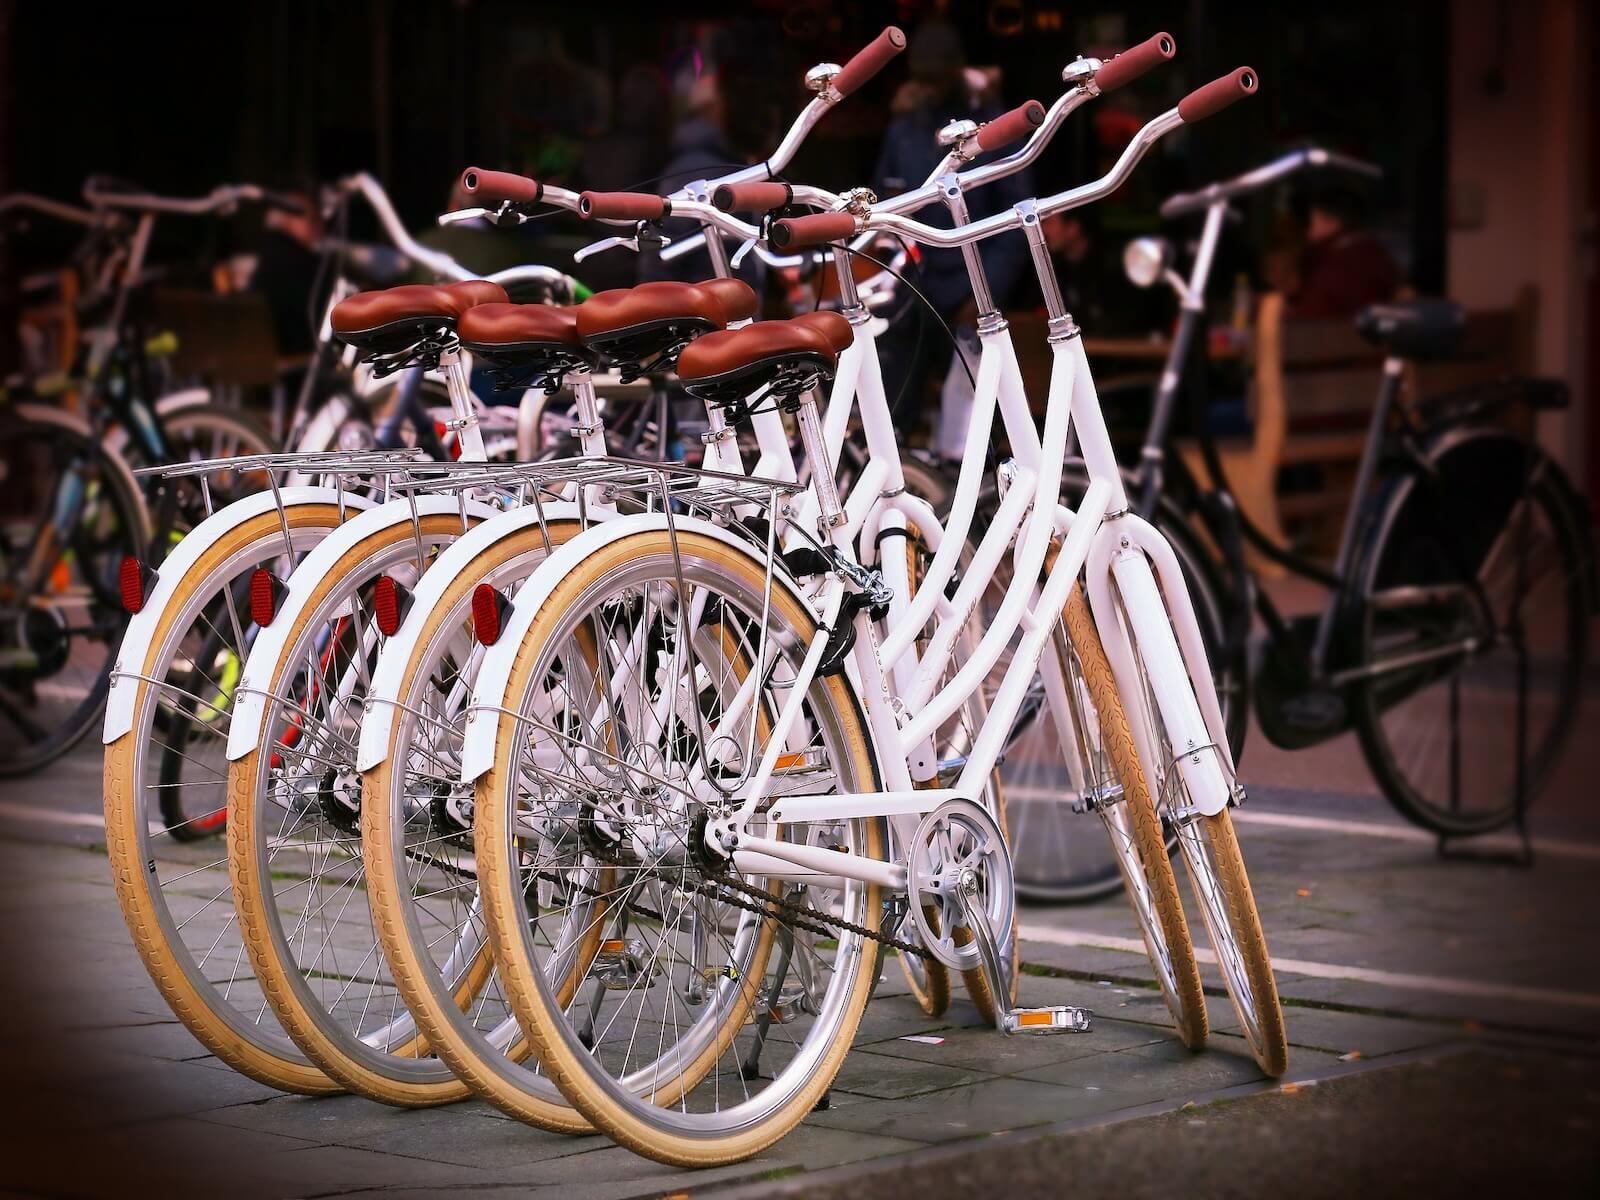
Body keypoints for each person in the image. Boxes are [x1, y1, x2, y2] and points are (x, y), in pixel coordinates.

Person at [870, 20, 1035, 443]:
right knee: (894, 410)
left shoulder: (992, 126)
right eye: (920, 79)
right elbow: (882, 204)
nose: (927, 89)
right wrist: (890, 275)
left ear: (956, 71)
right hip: (916, 281)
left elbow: (1017, 219)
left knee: (975, 424)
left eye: (935, 79)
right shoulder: (904, 126)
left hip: (972, 284)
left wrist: (985, 290)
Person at [1286, 182, 1399, 319]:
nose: (1309, 233)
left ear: (1331, 223)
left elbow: (1309, 320)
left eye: (1312, 223)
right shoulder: (1377, 257)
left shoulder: (1334, 268)